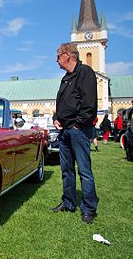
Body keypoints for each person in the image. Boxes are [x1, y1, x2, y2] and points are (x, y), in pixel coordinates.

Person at [51, 42, 98, 224]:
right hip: (64, 130)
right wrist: (56, 117)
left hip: (78, 130)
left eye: (58, 56)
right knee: (66, 170)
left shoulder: (84, 72)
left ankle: (88, 209)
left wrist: (78, 125)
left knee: (84, 171)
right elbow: (63, 104)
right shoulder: (66, 78)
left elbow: (89, 105)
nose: (56, 60)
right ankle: (68, 202)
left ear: (68, 56)